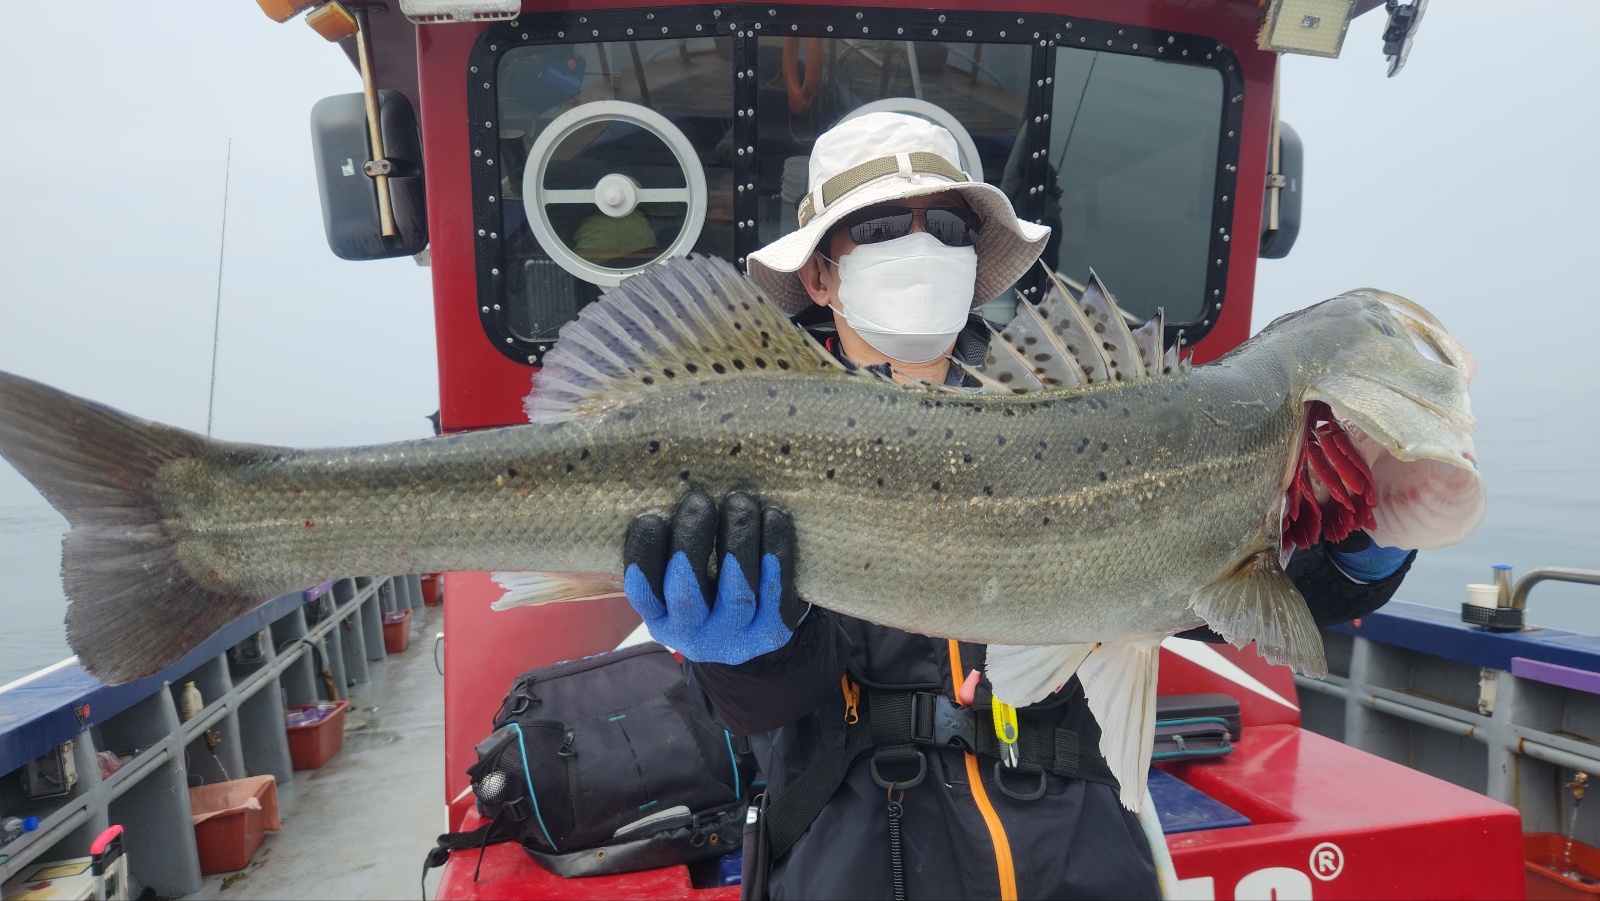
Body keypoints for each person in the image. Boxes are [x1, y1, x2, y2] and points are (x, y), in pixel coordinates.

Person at [621, 113, 1414, 900]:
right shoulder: (761, 434)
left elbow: (1215, 583)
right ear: (821, 275)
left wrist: (1359, 539)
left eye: (951, 228)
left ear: (974, 262)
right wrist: (743, 650)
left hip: (1082, 857)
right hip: (863, 857)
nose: (922, 244)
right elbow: (765, 710)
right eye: (886, 224)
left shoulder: (1094, 408)